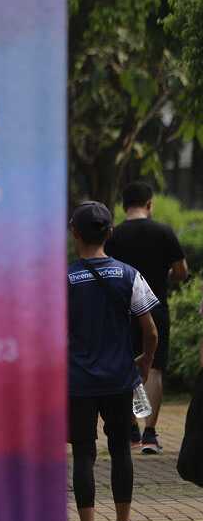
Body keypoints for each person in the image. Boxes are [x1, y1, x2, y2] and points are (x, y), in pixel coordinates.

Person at [68, 201, 159, 521]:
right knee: (121, 449)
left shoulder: (64, 279)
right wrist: (145, 361)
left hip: (78, 383)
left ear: (74, 232)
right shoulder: (128, 275)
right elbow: (150, 331)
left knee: (83, 454)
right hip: (121, 379)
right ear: (110, 232)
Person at [106, 182, 188, 453]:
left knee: (127, 365)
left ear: (123, 206)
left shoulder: (114, 235)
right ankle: (150, 434)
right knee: (154, 369)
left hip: (122, 310)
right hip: (156, 308)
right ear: (150, 204)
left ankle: (131, 429)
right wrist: (166, 276)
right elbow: (181, 271)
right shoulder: (163, 232)